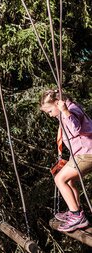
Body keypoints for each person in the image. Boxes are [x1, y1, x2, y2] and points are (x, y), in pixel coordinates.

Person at [40, 89, 92, 232]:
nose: (50, 115)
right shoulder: (66, 111)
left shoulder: (71, 110)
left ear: (57, 103)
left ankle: (77, 215)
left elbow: (75, 129)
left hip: (88, 154)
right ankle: (76, 210)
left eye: (50, 111)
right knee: (69, 180)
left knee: (59, 179)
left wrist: (65, 111)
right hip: (82, 154)